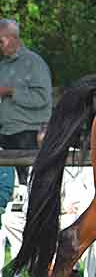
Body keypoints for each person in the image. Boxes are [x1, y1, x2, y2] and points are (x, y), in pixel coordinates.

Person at [0, 19, 52, 185]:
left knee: (27, 183)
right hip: (5, 132)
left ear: (14, 38)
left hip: (28, 133)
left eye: (1, 41)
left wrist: (11, 92)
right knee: (9, 183)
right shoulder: (3, 66)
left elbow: (43, 98)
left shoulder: (34, 63)